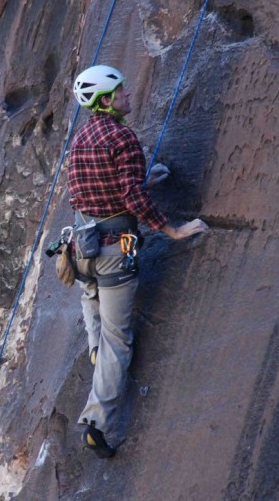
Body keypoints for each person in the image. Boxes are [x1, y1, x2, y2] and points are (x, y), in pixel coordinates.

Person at [67, 65, 208, 458]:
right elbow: (130, 199)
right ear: (107, 100)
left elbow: (90, 193)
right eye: (121, 90)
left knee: (89, 297)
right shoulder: (122, 137)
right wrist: (173, 229)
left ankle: (93, 346)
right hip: (115, 253)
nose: (128, 93)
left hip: (83, 247)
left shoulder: (81, 139)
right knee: (119, 342)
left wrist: (146, 179)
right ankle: (96, 422)